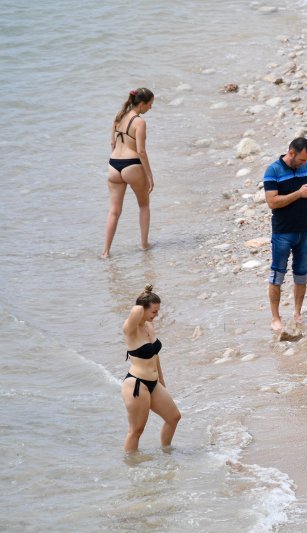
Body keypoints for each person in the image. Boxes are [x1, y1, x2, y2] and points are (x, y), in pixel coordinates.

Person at [263, 138, 307, 331]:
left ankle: (297, 313)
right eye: (302, 160)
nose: (305, 164)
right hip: (283, 231)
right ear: (291, 153)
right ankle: (275, 318)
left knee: (301, 272)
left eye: (306, 161)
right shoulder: (273, 171)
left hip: (305, 228)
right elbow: (272, 202)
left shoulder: (305, 167)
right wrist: (299, 194)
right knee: (277, 273)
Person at [121, 285, 181, 453]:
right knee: (136, 431)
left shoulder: (149, 326)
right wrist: (144, 297)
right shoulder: (130, 329)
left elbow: (155, 356)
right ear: (142, 310)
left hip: (154, 383)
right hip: (137, 385)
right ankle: (132, 467)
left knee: (174, 417)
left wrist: (162, 381)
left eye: (158, 311)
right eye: (154, 311)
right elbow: (135, 311)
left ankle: (166, 452)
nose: (157, 315)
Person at [104, 88, 156, 258]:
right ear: (142, 104)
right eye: (150, 104)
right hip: (132, 164)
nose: (150, 108)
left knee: (113, 211)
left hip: (113, 165)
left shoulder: (118, 115)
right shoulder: (139, 122)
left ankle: (106, 252)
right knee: (144, 205)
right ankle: (144, 245)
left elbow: (112, 143)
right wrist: (149, 175)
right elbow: (141, 151)